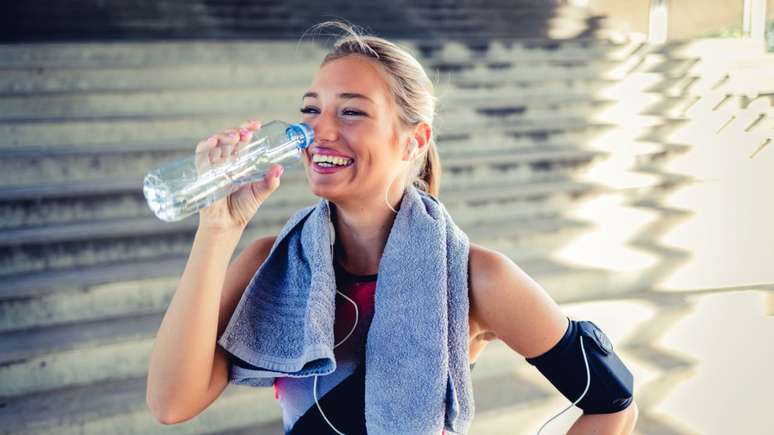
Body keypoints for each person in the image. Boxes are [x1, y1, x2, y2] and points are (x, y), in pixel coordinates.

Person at [146, 21, 638, 434]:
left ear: (412, 140)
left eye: (352, 111)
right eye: (311, 110)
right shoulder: (270, 264)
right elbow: (172, 404)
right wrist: (217, 229)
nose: (320, 131)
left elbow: (612, 403)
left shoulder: (476, 278)